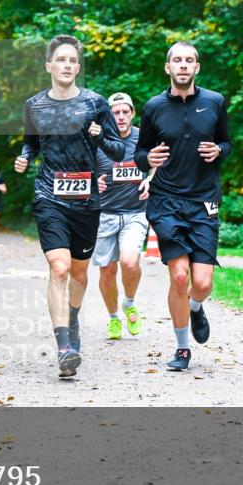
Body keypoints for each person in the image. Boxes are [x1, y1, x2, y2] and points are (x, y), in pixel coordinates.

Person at [14, 34, 124, 378]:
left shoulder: (96, 103)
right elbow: (31, 143)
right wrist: (24, 157)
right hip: (49, 196)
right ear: (49, 65)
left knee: (78, 273)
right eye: (61, 59)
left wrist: (99, 136)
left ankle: (72, 318)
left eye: (73, 61)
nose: (67, 65)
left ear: (78, 68)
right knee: (59, 268)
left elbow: (119, 151)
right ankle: (64, 347)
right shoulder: (34, 106)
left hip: (86, 201)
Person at [134, 41, 232, 372]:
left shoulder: (215, 101)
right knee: (178, 275)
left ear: (197, 67)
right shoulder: (154, 107)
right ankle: (182, 348)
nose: (183, 65)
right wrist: (148, 158)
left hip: (204, 200)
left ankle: (195, 306)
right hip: (166, 200)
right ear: (168, 67)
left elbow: (227, 142)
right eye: (177, 60)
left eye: (189, 60)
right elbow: (139, 153)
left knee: (202, 283)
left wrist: (219, 150)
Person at [93, 92, 150, 340]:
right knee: (107, 271)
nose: (121, 116)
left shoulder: (143, 138)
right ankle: (114, 317)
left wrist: (151, 179)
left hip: (136, 212)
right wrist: (94, 182)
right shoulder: (99, 140)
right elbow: (84, 170)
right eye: (116, 112)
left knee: (129, 262)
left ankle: (129, 303)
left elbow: (159, 164)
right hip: (105, 214)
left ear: (133, 113)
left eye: (125, 111)